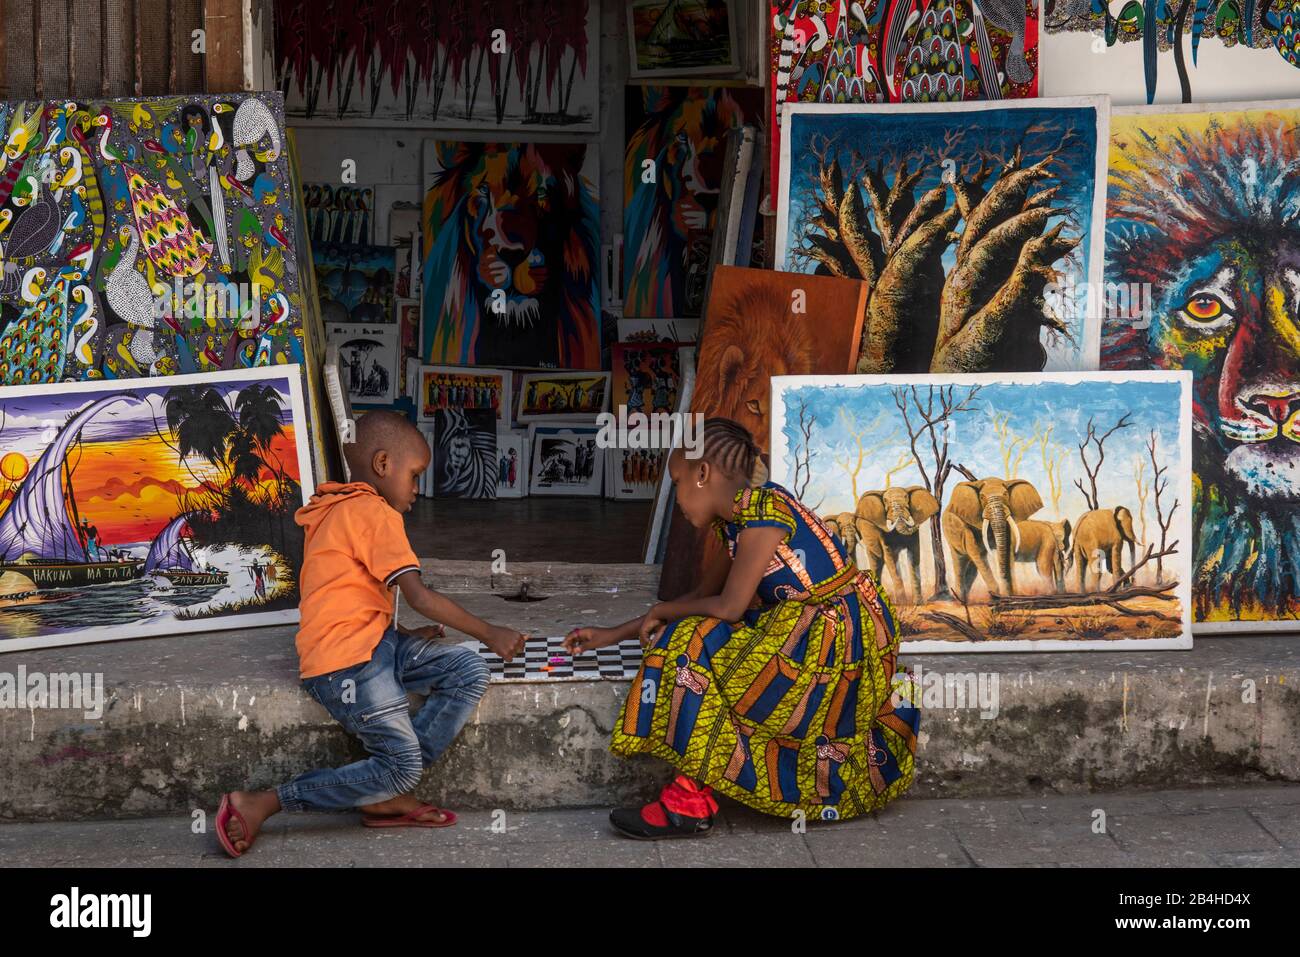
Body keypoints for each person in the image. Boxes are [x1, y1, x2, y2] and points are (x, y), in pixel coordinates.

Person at [565, 418, 919, 839]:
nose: (675, 497)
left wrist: (664, 609)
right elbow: (704, 595)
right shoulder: (735, 522)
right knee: (691, 633)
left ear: (703, 474)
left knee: (691, 640)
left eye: (676, 481)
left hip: (834, 644)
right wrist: (612, 633)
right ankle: (689, 797)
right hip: (805, 632)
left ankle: (687, 804)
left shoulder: (765, 515)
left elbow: (729, 608)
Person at [216, 411, 528, 858]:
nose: (418, 491)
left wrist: (400, 632)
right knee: (407, 758)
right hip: (347, 665)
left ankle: (386, 787)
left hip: (373, 644)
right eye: (415, 476)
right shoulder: (375, 513)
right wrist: (489, 630)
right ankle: (268, 801)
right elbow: (419, 595)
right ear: (383, 465)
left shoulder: (335, 509)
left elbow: (345, 596)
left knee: (466, 670)